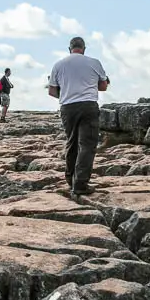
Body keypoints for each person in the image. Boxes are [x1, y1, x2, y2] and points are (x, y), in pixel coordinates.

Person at [47, 36, 109, 196]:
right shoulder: (94, 62)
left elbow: (52, 91)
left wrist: (67, 93)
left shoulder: (58, 65)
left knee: (72, 142)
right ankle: (80, 184)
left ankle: (70, 178)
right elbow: (103, 86)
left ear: (69, 49)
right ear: (84, 49)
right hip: (88, 105)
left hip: (67, 107)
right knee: (87, 145)